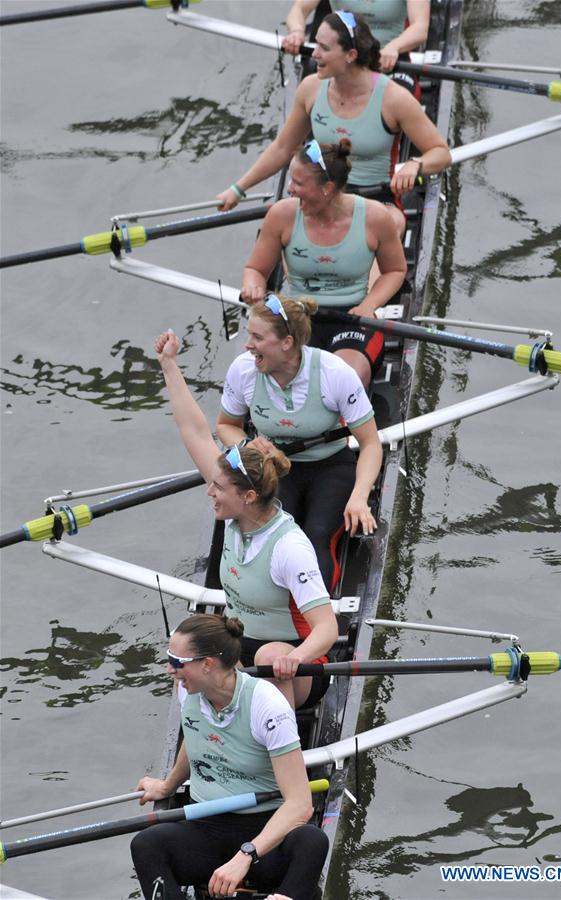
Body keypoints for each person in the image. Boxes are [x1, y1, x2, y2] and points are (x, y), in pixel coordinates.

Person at [155, 330, 338, 709]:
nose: (210, 492)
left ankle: (278, 738)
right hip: (241, 647)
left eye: (218, 488)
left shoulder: (289, 547)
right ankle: (204, 736)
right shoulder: (234, 510)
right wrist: (169, 365)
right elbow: (194, 432)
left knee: (270, 657)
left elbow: (327, 629)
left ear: (248, 497)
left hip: (295, 663)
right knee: (187, 653)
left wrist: (295, 658)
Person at [131, 613, 328, 900]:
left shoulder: (266, 705)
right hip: (205, 826)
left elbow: (300, 805)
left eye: (177, 661)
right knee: (146, 844)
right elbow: (195, 739)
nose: (169, 669)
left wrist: (246, 855)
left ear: (207, 664)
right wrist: (167, 786)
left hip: (264, 834)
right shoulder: (188, 690)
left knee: (312, 841)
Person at [217, 10, 450, 239]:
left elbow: (441, 153)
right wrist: (238, 189)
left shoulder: (394, 98)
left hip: (377, 199)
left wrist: (415, 165)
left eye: (324, 48)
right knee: (279, 224)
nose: (314, 54)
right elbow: (282, 148)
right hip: (322, 194)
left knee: (380, 229)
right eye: (316, 44)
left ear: (350, 55)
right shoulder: (310, 89)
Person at [216, 292, 383, 592]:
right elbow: (226, 426)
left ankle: (317, 614)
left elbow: (370, 444)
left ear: (287, 343)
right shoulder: (243, 369)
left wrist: (360, 496)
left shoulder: (334, 373)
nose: (247, 345)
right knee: (273, 537)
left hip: (330, 466)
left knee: (316, 536)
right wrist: (247, 446)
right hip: (273, 469)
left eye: (257, 337)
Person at [240, 139, 405, 390]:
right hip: (297, 315)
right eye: (290, 180)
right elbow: (255, 269)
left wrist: (369, 305)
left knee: (343, 379)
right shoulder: (282, 215)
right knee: (272, 376)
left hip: (352, 318)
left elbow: (395, 271)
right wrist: (253, 286)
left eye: (298, 183)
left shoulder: (374, 217)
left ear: (327, 188)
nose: (290, 189)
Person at [283, 0, 430, 86]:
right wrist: (296, 32)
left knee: (397, 104)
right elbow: (299, 9)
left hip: (386, 59)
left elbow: (420, 28)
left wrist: (394, 47)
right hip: (342, 57)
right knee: (312, 95)